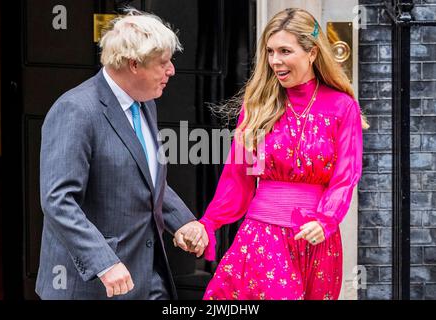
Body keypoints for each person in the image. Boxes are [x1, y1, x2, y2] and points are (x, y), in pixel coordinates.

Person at [36, 9, 208, 300]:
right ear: (133, 65)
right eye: (163, 63)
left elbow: (146, 177)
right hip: (92, 286)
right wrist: (104, 262)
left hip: (147, 277)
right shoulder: (76, 110)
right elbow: (58, 201)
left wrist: (183, 221)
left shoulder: (145, 101)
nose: (171, 71)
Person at [198, 8, 367, 300]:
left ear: (312, 53)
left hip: (317, 238)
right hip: (263, 234)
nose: (275, 61)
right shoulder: (258, 106)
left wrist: (326, 219)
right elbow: (237, 177)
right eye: (270, 52)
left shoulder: (342, 107)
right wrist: (209, 222)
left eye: (285, 51)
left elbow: (346, 176)